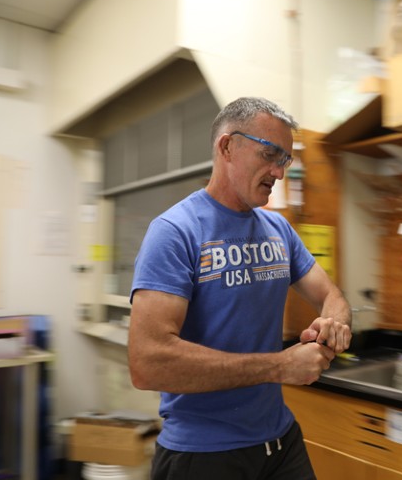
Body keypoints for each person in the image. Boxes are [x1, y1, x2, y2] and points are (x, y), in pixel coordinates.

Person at [128, 96, 352, 480]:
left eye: (285, 160)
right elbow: (148, 363)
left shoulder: (278, 230)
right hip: (203, 456)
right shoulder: (176, 231)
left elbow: (331, 295)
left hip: (280, 442)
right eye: (270, 154)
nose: (279, 172)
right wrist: (281, 365)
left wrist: (333, 324)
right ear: (227, 146)